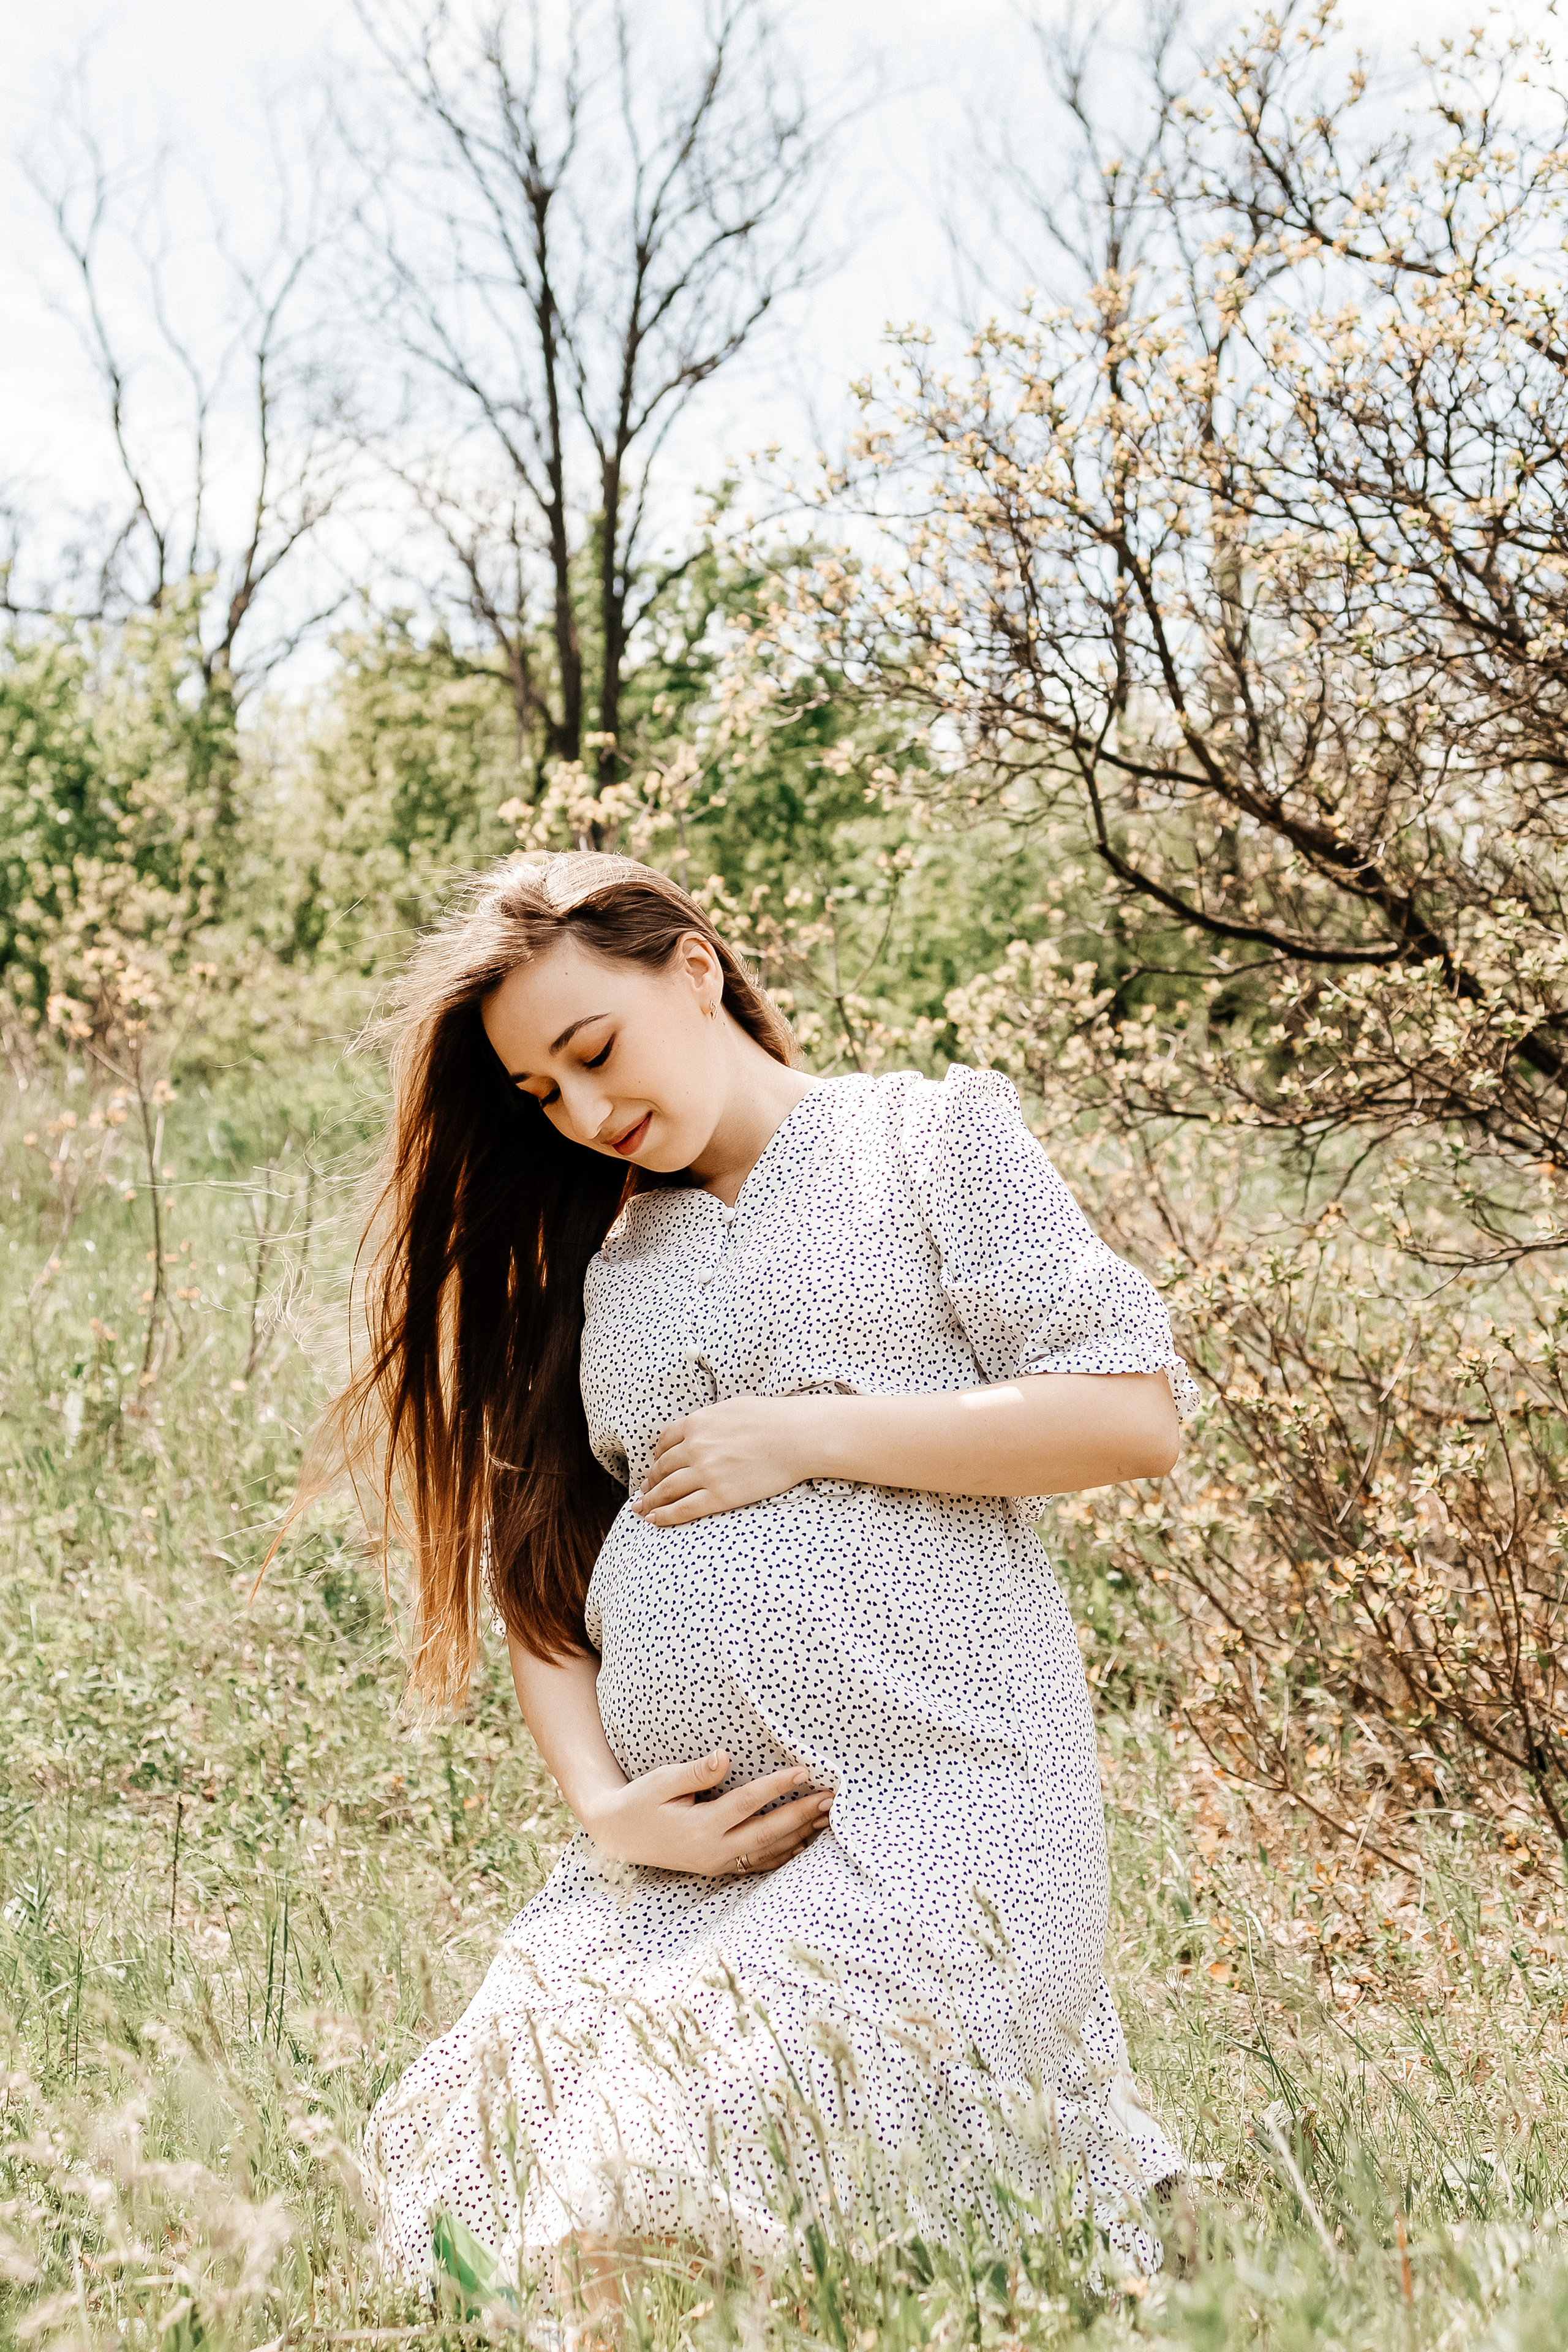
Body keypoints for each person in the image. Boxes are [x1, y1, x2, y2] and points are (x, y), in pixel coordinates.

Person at [307, 850, 1193, 2311]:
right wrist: (606, 1809)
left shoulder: (927, 1142)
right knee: (452, 2182)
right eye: (544, 1095)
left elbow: (1129, 1412)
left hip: (939, 1812)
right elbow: (542, 1582)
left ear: (694, 969)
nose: (589, 1114)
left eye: (594, 1051)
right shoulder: (600, 1262)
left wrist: (811, 1431)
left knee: (626, 2194)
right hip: (688, 1866)